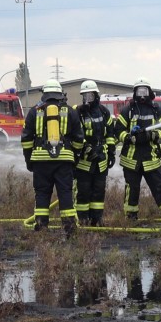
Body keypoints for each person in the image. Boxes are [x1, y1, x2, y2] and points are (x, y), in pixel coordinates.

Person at [114, 77, 161, 226]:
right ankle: (130, 219)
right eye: (139, 91)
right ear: (135, 93)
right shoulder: (127, 110)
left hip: (151, 157)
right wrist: (129, 137)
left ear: (149, 92)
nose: (142, 94)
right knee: (132, 191)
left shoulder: (157, 110)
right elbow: (118, 131)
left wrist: (153, 135)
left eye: (144, 91)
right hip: (131, 159)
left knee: (160, 188)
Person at [21, 79, 84, 237]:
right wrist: (74, 158)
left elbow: (26, 140)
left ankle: (41, 227)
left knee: (42, 193)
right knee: (65, 193)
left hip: (40, 161)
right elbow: (79, 139)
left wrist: (29, 160)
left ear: (44, 94)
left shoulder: (34, 111)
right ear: (60, 94)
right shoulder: (70, 111)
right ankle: (69, 228)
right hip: (64, 161)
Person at [73, 80, 116, 226]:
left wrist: (111, 152)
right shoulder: (78, 112)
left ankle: (97, 219)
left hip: (101, 159)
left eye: (90, 95)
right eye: (85, 96)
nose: (88, 99)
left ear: (96, 95)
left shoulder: (104, 112)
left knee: (99, 191)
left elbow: (110, 133)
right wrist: (86, 148)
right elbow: (76, 134)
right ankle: (83, 218)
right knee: (83, 191)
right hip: (84, 161)